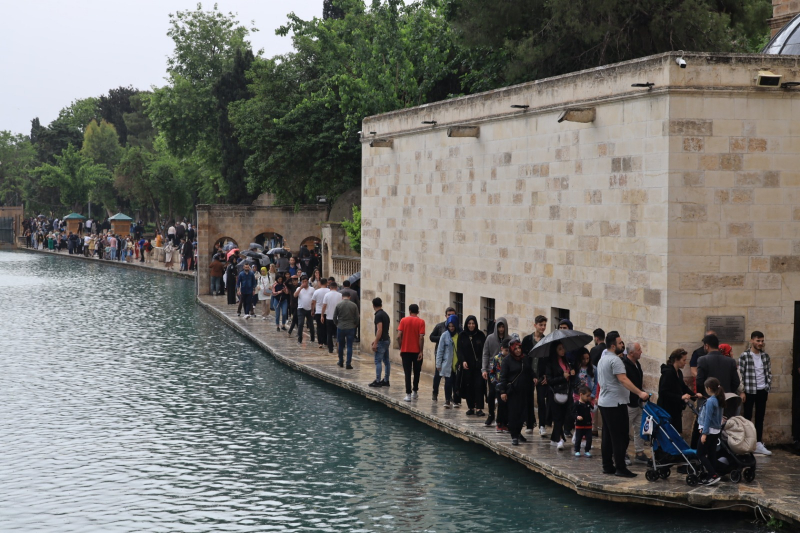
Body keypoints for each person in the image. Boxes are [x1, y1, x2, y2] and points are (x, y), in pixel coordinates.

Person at [596, 331, 650, 478]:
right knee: (621, 437)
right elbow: (623, 379)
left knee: (608, 436)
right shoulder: (616, 361)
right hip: (615, 403)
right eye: (620, 343)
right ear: (613, 346)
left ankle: (607, 466)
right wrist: (640, 393)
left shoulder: (602, 359)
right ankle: (620, 467)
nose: (623, 345)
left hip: (605, 402)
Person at [498, 334, 536, 446]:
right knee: (513, 414)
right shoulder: (507, 361)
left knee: (523, 414)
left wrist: (534, 377)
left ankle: (518, 432)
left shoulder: (525, 359)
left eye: (519, 348)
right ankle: (514, 435)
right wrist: (503, 392)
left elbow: (530, 370)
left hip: (524, 391)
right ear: (511, 349)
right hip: (513, 391)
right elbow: (503, 377)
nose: (518, 350)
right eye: (515, 349)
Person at [739, 331, 773, 456]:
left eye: (762, 341)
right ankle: (748, 443)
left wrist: (767, 386)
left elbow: (768, 372)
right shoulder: (744, 356)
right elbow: (740, 374)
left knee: (760, 417)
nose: (760, 343)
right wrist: (742, 391)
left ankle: (758, 443)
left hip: (762, 390)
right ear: (752, 341)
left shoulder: (765, 356)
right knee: (747, 418)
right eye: (758, 341)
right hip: (749, 390)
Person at [657, 348, 699, 435]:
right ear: (676, 360)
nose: (685, 363)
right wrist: (680, 397)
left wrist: (695, 396)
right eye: (683, 360)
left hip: (676, 409)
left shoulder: (679, 372)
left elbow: (683, 387)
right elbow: (663, 392)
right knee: (668, 433)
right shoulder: (668, 373)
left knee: (676, 432)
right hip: (667, 409)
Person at [522, 315, 548, 436]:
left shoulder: (547, 341)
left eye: (544, 325)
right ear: (535, 325)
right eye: (541, 325)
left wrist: (546, 375)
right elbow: (524, 359)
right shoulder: (527, 340)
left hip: (542, 375)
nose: (543, 327)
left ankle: (542, 425)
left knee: (541, 400)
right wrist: (531, 374)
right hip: (529, 375)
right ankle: (530, 424)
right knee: (528, 399)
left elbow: (548, 360)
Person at [697, 377, 725, 486]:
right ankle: (712, 475)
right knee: (712, 454)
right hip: (716, 431)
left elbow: (708, 418)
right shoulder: (719, 399)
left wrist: (704, 433)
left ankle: (712, 474)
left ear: (708, 388)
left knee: (700, 454)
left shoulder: (710, 401)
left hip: (709, 431)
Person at [545, 341, 573, 450]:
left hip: (566, 392)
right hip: (554, 393)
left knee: (563, 416)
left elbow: (568, 376)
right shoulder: (550, 363)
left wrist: (571, 373)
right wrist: (563, 377)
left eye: (563, 348)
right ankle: (559, 439)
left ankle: (554, 438)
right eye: (560, 349)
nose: (562, 351)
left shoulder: (566, 361)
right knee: (557, 417)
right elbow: (549, 380)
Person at [623, 342, 648, 465]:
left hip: (638, 402)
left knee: (639, 428)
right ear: (631, 353)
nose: (641, 352)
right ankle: (623, 453)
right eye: (639, 350)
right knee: (625, 429)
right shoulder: (624, 365)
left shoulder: (637, 364)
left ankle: (639, 452)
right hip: (628, 402)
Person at [457, 315, 487, 417]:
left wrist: (483, 363)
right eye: (469, 323)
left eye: (473, 323)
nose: (471, 325)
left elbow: (484, 351)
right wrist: (463, 361)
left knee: (479, 386)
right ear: (466, 324)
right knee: (468, 386)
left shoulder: (481, 335)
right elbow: (459, 350)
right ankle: (471, 407)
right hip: (467, 366)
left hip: (478, 366)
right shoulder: (462, 335)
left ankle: (479, 408)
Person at [481, 316, 508, 424]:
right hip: (492, 371)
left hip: (506, 372)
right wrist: (484, 369)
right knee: (492, 393)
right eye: (499, 327)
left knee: (503, 395)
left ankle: (502, 418)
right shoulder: (490, 338)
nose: (501, 329)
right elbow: (485, 354)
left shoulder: (509, 339)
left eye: (503, 327)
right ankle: (491, 414)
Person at [397, 304, 425, 402]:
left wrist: (401, 348)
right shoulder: (421, 322)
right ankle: (415, 391)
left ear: (409, 311)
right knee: (417, 372)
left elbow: (398, 336)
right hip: (417, 351)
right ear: (418, 312)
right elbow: (421, 337)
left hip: (405, 351)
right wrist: (421, 351)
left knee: (407, 373)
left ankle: (408, 394)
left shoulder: (403, 320)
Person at [430, 307, 458, 402]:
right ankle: (435, 392)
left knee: (451, 377)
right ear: (446, 315)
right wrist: (442, 339)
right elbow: (431, 337)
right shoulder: (440, 326)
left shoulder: (457, 328)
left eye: (452, 314)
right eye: (449, 315)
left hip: (452, 356)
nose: (450, 316)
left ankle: (451, 396)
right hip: (440, 354)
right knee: (438, 375)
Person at [571, 348, 595, 449]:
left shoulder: (593, 369)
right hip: (578, 395)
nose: (585, 361)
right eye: (583, 359)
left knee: (589, 417)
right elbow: (572, 382)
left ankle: (585, 438)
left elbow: (596, 382)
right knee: (579, 416)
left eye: (587, 358)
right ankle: (578, 437)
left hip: (589, 396)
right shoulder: (576, 369)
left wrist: (593, 394)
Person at [435, 315, 460, 407]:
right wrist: (438, 364)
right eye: (450, 326)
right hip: (447, 363)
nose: (451, 328)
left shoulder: (459, 335)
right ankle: (447, 400)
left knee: (456, 383)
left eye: (453, 326)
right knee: (448, 382)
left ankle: (456, 400)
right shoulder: (444, 335)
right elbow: (440, 350)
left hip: (457, 364)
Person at [489, 337, 511, 431]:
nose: (508, 353)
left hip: (508, 385)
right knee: (501, 404)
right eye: (506, 350)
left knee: (507, 405)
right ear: (502, 348)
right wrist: (494, 382)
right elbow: (492, 372)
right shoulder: (497, 358)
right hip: (499, 385)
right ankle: (499, 423)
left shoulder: (511, 359)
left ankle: (505, 423)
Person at [333, 291, 359, 369]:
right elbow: (357, 317)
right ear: (349, 297)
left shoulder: (338, 305)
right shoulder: (354, 305)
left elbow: (334, 317)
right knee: (349, 346)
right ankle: (348, 363)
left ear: (342, 297)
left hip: (340, 327)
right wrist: (355, 324)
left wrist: (337, 324)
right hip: (351, 327)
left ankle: (341, 361)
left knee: (341, 345)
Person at [369, 297, 391, 388]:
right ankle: (386, 380)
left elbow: (379, 330)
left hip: (381, 341)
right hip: (386, 339)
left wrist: (376, 342)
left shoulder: (378, 315)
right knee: (386, 361)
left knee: (378, 361)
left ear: (373, 305)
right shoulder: (385, 314)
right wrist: (375, 340)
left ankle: (378, 381)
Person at [322, 281, 343, 354]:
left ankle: (330, 349)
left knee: (329, 334)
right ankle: (338, 346)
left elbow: (324, 306)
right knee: (338, 333)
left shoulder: (327, 295)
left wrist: (322, 315)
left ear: (330, 287)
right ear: (336, 288)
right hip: (338, 318)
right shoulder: (340, 295)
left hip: (329, 317)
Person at [294, 276, 316, 344]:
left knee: (311, 324)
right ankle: (299, 339)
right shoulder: (298, 288)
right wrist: (301, 288)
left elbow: (314, 299)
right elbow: (295, 295)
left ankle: (312, 338)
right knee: (300, 324)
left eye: (305, 281)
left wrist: (313, 309)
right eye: (303, 281)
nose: (304, 283)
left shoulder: (312, 289)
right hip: (301, 308)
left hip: (309, 309)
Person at [573, 386, 594, 457]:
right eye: (587, 396)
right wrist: (577, 417)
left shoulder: (588, 403)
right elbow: (573, 413)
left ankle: (587, 450)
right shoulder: (577, 404)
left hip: (588, 424)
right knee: (578, 438)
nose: (589, 397)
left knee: (589, 439)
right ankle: (577, 450)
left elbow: (592, 409)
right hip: (580, 425)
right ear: (581, 395)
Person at [311, 278, 330, 350]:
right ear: (326, 283)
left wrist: (312, 310)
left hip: (318, 311)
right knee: (326, 327)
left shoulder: (316, 292)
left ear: (320, 283)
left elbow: (313, 302)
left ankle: (320, 342)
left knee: (319, 327)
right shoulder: (329, 291)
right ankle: (326, 341)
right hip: (327, 312)